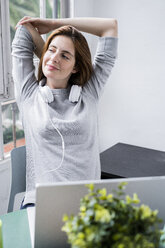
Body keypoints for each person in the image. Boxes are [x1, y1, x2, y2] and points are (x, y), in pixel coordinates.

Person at [12, 16, 118, 209]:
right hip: (41, 203)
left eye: (65, 56)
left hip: (87, 204)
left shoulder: (89, 94)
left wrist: (55, 24)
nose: (54, 58)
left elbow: (110, 28)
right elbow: (24, 27)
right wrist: (54, 51)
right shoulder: (29, 95)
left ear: (76, 67)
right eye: (51, 51)